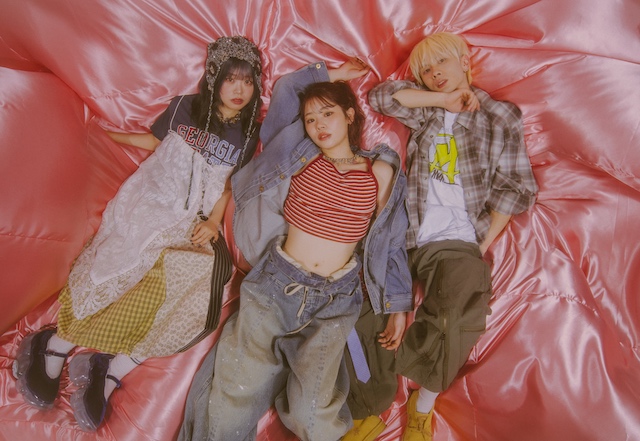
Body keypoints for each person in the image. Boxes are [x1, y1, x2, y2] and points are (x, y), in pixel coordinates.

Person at [12, 36, 263, 432]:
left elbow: (229, 184)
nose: (239, 90)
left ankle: (113, 367)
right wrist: (103, 137)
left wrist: (214, 222)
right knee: (126, 263)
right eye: (231, 79)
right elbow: (154, 142)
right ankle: (55, 343)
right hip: (152, 199)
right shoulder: (186, 107)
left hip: (193, 218)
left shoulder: (248, 133)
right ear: (215, 79)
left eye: (247, 82)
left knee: (202, 284)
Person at [178, 57, 413, 441]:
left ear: (349, 115)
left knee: (310, 414)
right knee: (235, 392)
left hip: (335, 300)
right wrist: (332, 74)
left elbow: (392, 240)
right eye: (310, 118)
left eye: (328, 113)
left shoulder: (380, 171)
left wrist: (398, 306)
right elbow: (287, 88)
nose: (318, 124)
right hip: (277, 283)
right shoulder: (298, 153)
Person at [360, 32, 539, 440]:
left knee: (460, 311)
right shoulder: (427, 108)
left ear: (465, 61)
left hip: (457, 239)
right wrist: (442, 100)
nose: (434, 72)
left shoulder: (500, 115)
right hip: (405, 232)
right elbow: (380, 97)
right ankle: (369, 409)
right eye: (426, 70)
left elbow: (516, 186)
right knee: (366, 311)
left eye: (442, 62)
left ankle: (421, 406)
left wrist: (482, 244)